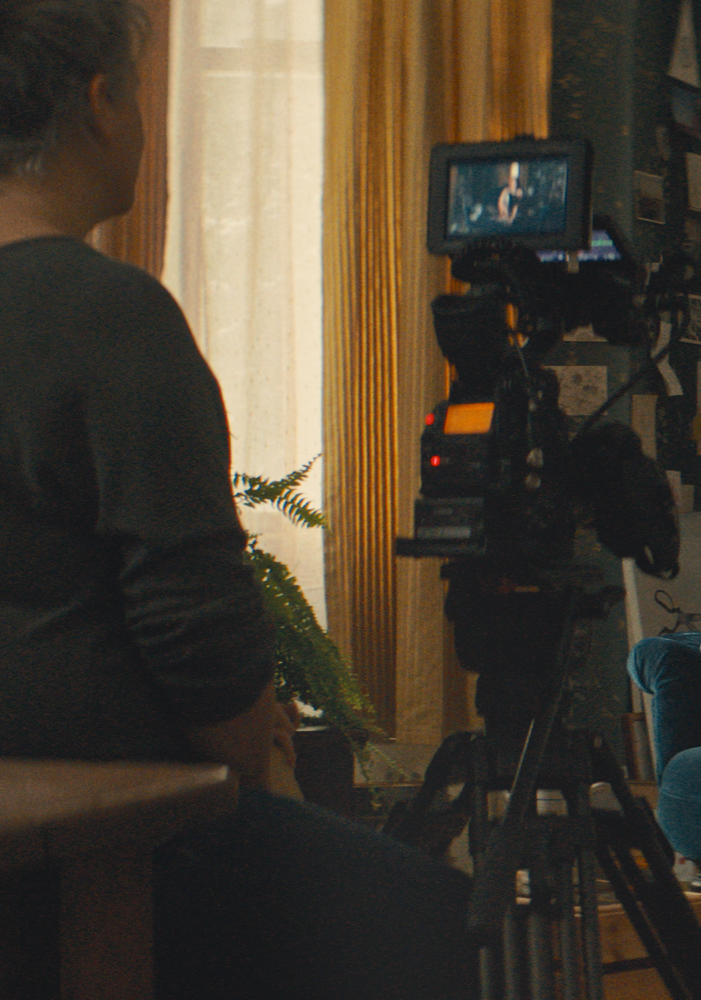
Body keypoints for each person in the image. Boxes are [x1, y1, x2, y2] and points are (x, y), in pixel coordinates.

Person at [0, 3, 474, 996]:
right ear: (102, 101)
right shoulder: (110, 315)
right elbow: (194, 624)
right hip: (121, 834)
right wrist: (260, 764)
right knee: (421, 914)